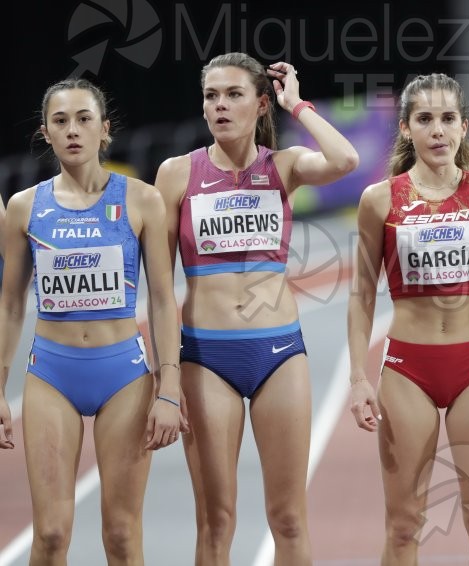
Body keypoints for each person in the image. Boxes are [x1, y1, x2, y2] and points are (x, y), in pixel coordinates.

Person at [154, 52, 357, 566]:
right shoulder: (177, 175)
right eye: (211, 96)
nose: (220, 105)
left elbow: (347, 160)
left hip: (279, 352)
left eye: (234, 94)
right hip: (206, 358)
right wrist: (167, 381)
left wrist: (298, 105)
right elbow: (158, 288)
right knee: (216, 521)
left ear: (260, 103)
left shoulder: (283, 166)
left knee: (289, 518)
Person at [347, 73, 469, 565]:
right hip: (408, 368)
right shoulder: (380, 200)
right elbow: (361, 294)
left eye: (447, 118)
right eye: (425, 119)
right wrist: (357, 378)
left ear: (463, 127)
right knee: (405, 525)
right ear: (407, 129)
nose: (438, 130)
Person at [0, 78, 183, 564]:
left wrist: (169, 388)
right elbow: (11, 305)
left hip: (123, 373)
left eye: (84, 119)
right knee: (51, 535)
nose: (72, 130)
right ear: (46, 133)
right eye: (60, 121)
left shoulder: (142, 199)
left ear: (105, 130)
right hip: (51, 375)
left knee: (122, 535)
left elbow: (164, 300)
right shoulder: (23, 208)